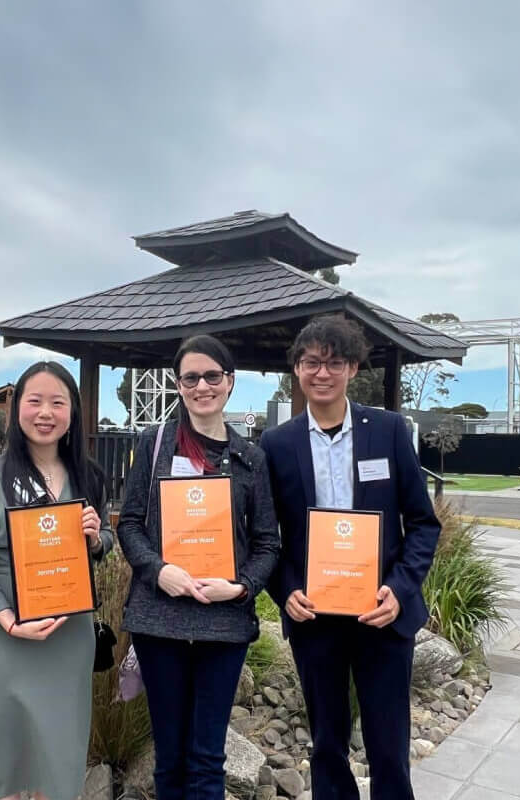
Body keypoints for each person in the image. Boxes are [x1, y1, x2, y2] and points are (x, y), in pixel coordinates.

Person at [260, 317, 441, 800]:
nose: (323, 373)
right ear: (296, 369)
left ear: (353, 367)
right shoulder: (276, 445)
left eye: (334, 362)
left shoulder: (387, 431)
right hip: (314, 616)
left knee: (388, 742)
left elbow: (423, 524)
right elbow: (264, 536)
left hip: (381, 614)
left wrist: (400, 592)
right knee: (327, 743)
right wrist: (284, 590)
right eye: (312, 362)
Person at [117, 334, 280, 800]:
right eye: (191, 377)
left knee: (208, 760)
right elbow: (129, 523)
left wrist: (242, 587)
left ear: (230, 382)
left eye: (213, 375)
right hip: (159, 622)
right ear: (178, 384)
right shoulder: (154, 445)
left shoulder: (251, 459)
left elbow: (268, 543)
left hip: (223, 625)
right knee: (169, 758)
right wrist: (157, 569)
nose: (202, 385)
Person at [0, 361, 113, 800]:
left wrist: (96, 538)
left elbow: (106, 541)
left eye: (57, 403)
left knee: (60, 755)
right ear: (17, 409)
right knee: (8, 756)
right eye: (35, 401)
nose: (45, 412)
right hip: (10, 635)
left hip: (71, 634)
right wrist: (7, 620)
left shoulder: (91, 476)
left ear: (72, 412)